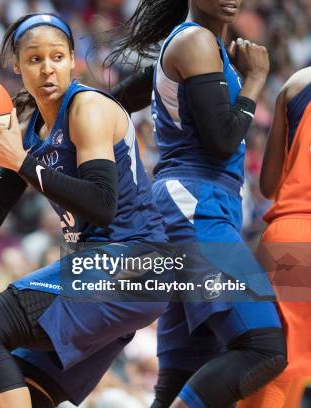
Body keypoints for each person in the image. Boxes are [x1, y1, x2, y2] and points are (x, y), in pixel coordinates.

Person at [0, 13, 169, 408]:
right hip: (107, 273)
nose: (47, 68)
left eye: (57, 57)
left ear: (71, 60)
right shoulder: (33, 129)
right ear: (17, 66)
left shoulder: (87, 108)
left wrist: (21, 162)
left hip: (132, 263)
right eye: (35, 59)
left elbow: (102, 206)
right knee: (30, 392)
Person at [102, 1, 288, 406]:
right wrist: (255, 79)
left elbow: (115, 99)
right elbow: (222, 140)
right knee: (264, 347)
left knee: (183, 373)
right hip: (193, 205)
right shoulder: (195, 42)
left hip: (193, 207)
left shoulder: (198, 45)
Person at [239, 67, 311, 407]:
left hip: (286, 234)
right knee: (289, 370)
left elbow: (268, 186)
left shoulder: (296, 83)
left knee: (280, 363)